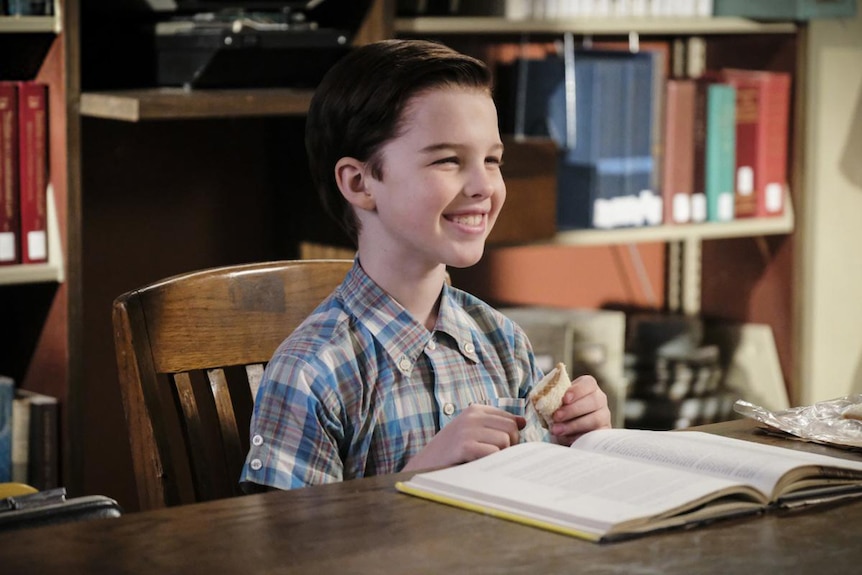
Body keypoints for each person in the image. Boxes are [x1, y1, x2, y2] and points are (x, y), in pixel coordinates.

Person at [240, 39, 611, 491]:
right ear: (360, 183)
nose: (483, 186)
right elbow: (286, 550)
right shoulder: (311, 373)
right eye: (448, 160)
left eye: (492, 160)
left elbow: (537, 497)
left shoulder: (504, 343)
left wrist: (581, 444)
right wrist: (416, 478)